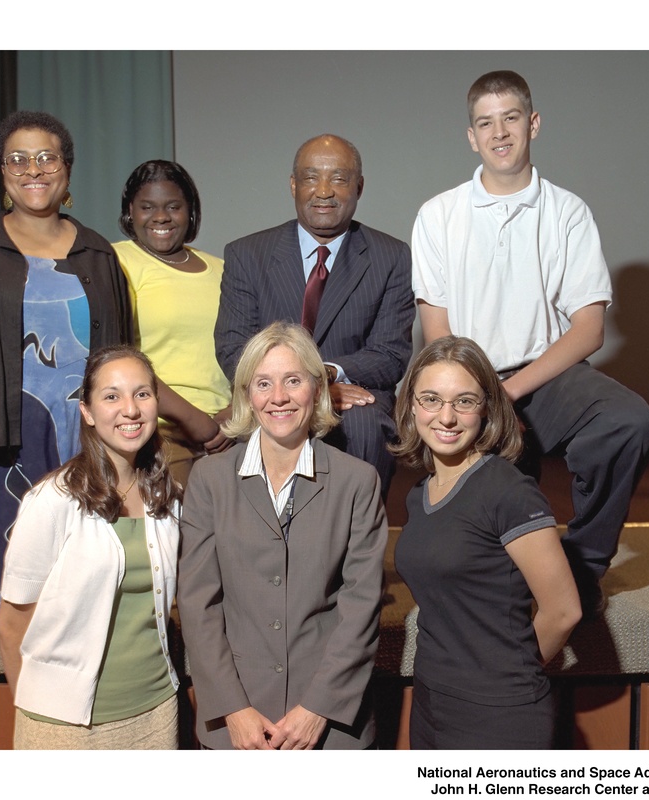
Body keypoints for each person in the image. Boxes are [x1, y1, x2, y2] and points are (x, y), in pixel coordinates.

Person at [410, 71, 649, 615]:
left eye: (511, 118)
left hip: (546, 375)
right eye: (486, 123)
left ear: (534, 124)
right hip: (469, 378)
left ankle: (584, 565)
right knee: (498, 530)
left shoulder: (568, 212)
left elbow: (589, 329)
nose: (499, 132)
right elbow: (437, 332)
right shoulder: (439, 215)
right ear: (471, 137)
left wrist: (511, 392)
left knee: (628, 421)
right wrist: (478, 395)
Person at [0, 110, 133, 620]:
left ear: (67, 169)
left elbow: (121, 358)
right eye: (17, 159)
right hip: (2, 441)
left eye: (46, 158)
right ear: (2, 171)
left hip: (83, 438)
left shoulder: (97, 253)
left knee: (85, 581)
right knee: (13, 587)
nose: (33, 170)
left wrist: (123, 451)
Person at [178, 322, 388, 750]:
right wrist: (233, 709)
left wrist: (318, 709)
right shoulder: (209, 479)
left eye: (293, 380)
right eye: (263, 383)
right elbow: (198, 604)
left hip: (330, 724)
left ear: (317, 389)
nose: (278, 397)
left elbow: (362, 605)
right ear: (246, 395)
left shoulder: (358, 481)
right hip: (237, 723)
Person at [391, 336, 582, 749]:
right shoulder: (420, 494)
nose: (446, 417)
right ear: (411, 406)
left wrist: (505, 675)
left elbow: (564, 611)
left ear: (487, 409)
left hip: (499, 711)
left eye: (464, 401)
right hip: (431, 701)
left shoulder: (508, 490)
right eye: (431, 399)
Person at [0, 345, 182, 749]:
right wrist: (38, 711)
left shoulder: (167, 497)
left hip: (156, 710)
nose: (130, 409)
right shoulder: (52, 500)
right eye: (111, 396)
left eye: (142, 394)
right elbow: (11, 625)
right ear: (88, 412)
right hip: (64, 726)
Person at [214, 134, 414, 499]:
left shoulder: (390, 256)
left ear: (359, 187)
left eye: (338, 178)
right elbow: (233, 348)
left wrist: (326, 377)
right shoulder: (247, 254)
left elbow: (390, 354)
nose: (323, 191)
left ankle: (358, 530)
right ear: (293, 185)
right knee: (259, 418)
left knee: (364, 424)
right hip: (271, 392)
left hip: (353, 396)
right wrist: (299, 385)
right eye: (310, 178)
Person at [113, 160, 233, 487]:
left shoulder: (223, 268)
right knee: (164, 518)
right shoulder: (117, 261)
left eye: (173, 207)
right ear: (130, 212)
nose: (161, 217)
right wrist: (193, 419)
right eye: (147, 207)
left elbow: (248, 349)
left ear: (190, 211)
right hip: (155, 428)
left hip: (229, 430)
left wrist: (237, 411)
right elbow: (116, 358)